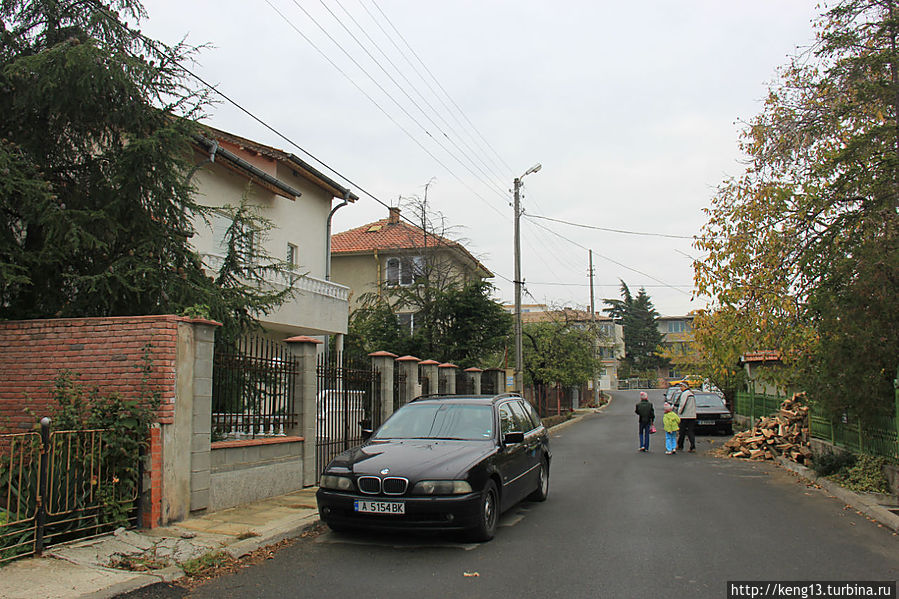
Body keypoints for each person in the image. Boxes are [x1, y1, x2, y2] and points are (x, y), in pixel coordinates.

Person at [676, 381, 697, 453]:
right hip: (692, 416)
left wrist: (679, 412)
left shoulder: (685, 394)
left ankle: (680, 445)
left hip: (685, 416)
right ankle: (692, 446)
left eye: (681, 386)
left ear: (684, 386)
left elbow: (682, 404)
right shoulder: (691, 393)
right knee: (691, 431)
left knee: (682, 431)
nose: (680, 388)